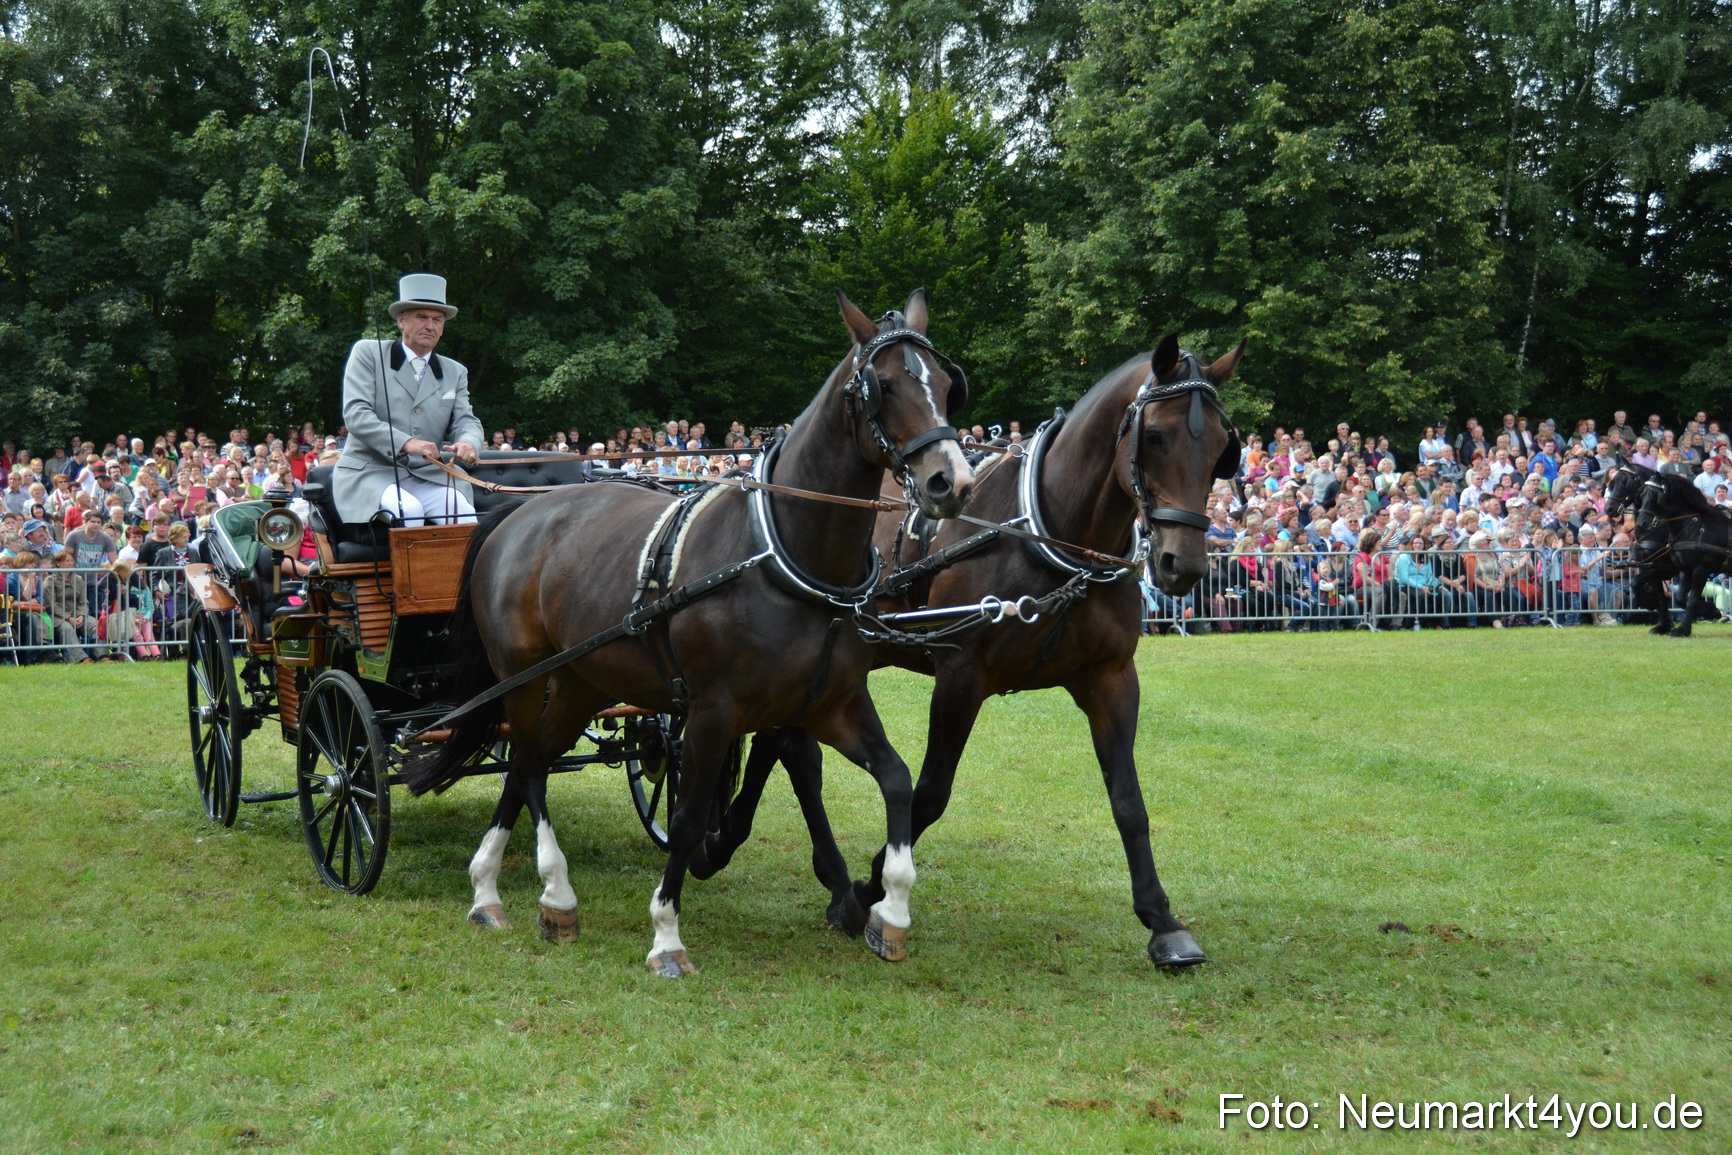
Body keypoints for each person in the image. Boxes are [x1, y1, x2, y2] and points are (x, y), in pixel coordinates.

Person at [332, 273, 482, 527]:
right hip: (371, 471)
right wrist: (408, 443)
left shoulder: (455, 371)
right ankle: (409, 569)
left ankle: (453, 569)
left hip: (428, 473)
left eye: (437, 319)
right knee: (409, 510)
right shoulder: (368, 353)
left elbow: (465, 420)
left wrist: (468, 442)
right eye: (421, 317)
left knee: (464, 515)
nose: (430, 326)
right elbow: (356, 413)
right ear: (401, 320)